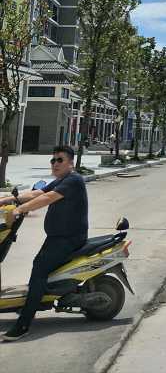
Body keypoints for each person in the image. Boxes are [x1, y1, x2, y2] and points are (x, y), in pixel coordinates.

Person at [0, 145, 88, 341]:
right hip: (58, 237)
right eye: (53, 160)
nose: (55, 163)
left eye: (60, 160)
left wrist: (19, 210)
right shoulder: (61, 180)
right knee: (39, 267)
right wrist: (8, 199)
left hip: (68, 239)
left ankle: (24, 324)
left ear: (71, 163)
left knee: (39, 269)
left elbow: (47, 198)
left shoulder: (73, 180)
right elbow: (37, 193)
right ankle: (32, 300)